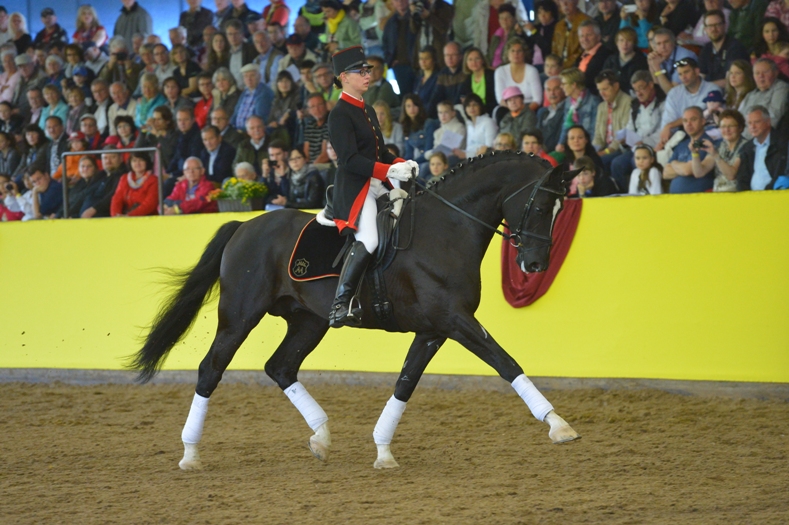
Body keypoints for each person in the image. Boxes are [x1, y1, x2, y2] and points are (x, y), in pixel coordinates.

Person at [325, 46, 415, 327]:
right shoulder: (339, 114)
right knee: (370, 240)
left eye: (367, 71)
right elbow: (350, 160)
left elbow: (381, 153)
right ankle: (341, 303)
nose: (367, 75)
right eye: (361, 71)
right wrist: (389, 170)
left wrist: (402, 163)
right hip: (356, 188)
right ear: (344, 77)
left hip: (378, 182)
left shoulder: (368, 109)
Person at [658, 58, 721, 149]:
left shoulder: (712, 89)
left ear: (697, 71)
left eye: (686, 72)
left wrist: (670, 125)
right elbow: (667, 123)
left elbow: (696, 115)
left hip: (706, 135)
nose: (683, 77)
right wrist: (664, 141)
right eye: (680, 74)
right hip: (680, 138)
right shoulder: (674, 93)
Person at [663, 107, 716, 193]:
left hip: (698, 196)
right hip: (675, 198)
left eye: (693, 119)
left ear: (703, 121)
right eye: (685, 121)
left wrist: (674, 163)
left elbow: (688, 170)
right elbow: (666, 173)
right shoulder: (682, 144)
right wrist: (682, 168)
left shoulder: (708, 143)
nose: (688, 124)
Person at [735, 105, 787, 190]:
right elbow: (742, 179)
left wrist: (766, 193)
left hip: (774, 194)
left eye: (757, 122)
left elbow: (781, 174)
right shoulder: (747, 148)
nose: (753, 126)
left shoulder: (783, 144)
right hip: (751, 196)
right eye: (749, 123)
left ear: (768, 122)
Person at [694, 109, 747, 192]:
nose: (727, 130)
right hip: (719, 193)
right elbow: (699, 173)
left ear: (740, 128)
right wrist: (694, 153)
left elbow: (731, 175)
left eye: (731, 126)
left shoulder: (746, 146)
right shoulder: (719, 146)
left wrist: (715, 155)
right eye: (723, 126)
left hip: (739, 194)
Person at [738, 58, 789, 137]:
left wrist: (741, 135)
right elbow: (737, 118)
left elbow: (773, 119)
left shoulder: (781, 88)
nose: (761, 76)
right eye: (757, 73)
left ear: (775, 73)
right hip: (741, 136)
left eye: (765, 72)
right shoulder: (750, 95)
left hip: (759, 137)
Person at [592, 70, 632, 170]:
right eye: (599, 90)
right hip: (606, 148)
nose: (602, 93)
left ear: (616, 86)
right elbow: (598, 136)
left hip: (621, 148)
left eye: (605, 89)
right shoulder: (601, 107)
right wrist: (593, 151)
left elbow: (623, 134)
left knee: (598, 162)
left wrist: (606, 151)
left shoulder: (628, 102)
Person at [698, 10, 749, 88]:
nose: (714, 29)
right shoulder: (706, 49)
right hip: (711, 91)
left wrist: (706, 87)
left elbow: (732, 80)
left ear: (724, 25)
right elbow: (701, 76)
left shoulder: (736, 48)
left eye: (717, 25)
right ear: (705, 29)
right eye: (710, 26)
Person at [556, 67, 600, 151]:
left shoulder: (593, 102)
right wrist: (561, 143)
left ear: (574, 85)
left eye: (564, 84)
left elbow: (594, 131)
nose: (561, 87)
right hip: (572, 144)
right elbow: (566, 125)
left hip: (588, 146)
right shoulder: (568, 101)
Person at [647, 28, 698, 95]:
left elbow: (672, 93)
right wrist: (651, 64)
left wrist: (657, 68)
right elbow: (657, 86)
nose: (663, 47)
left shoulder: (684, 58)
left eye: (666, 42)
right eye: (659, 44)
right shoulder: (658, 57)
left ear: (673, 42)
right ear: (654, 47)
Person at [80, 146, 127, 217]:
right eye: (105, 158)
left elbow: (113, 196)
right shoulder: (99, 175)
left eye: (113, 157)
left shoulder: (123, 176)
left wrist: (94, 209)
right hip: (84, 215)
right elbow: (84, 194)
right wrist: (67, 212)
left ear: (121, 158)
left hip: (103, 216)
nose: (108, 161)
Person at [494, 39, 543, 108]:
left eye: (519, 51)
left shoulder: (532, 71)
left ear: (524, 53)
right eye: (512, 51)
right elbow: (500, 99)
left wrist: (524, 112)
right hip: (508, 108)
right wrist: (513, 111)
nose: (516, 54)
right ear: (507, 54)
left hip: (528, 107)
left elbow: (537, 100)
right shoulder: (500, 71)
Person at [111, 151, 158, 216]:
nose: (137, 163)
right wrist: (116, 215)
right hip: (125, 216)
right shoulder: (124, 178)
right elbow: (117, 199)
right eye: (134, 160)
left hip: (146, 217)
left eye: (141, 160)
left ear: (147, 162)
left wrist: (129, 216)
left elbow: (150, 204)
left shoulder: (153, 180)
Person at [602, 27, 648, 95]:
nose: (624, 44)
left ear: (634, 43)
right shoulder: (610, 60)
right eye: (621, 40)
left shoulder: (641, 61)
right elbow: (603, 79)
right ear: (617, 43)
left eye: (628, 40)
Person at [574, 19, 613, 98]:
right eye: (582, 36)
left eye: (588, 35)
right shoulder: (580, 57)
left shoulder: (606, 55)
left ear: (598, 37)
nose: (585, 39)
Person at [231, 64, 274, 131]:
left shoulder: (264, 93)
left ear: (259, 77)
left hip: (252, 131)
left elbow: (260, 118)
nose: (249, 79)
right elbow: (235, 113)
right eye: (246, 76)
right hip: (237, 131)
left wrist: (243, 130)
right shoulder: (244, 92)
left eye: (252, 75)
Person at [454, 93, 497, 158]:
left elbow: (489, 148)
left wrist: (466, 155)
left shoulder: (488, 122)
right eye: (468, 106)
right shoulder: (469, 124)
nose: (472, 108)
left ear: (480, 106)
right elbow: (469, 148)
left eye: (475, 105)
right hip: (469, 158)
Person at [458, 47, 497, 117]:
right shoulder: (467, 80)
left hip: (490, 112)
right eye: (470, 59)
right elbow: (460, 97)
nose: (474, 62)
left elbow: (495, 100)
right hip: (473, 114)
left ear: (482, 60)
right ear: (466, 63)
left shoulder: (492, 75)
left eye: (477, 58)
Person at [552, 0, 591, 69]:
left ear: (576, 1)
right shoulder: (559, 26)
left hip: (576, 68)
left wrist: (563, 66)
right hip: (559, 68)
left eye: (568, 0)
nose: (565, 4)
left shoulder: (586, 22)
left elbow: (583, 51)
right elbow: (554, 50)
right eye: (562, 1)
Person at [401, 93, 439, 163]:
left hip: (429, 161)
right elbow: (409, 153)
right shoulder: (406, 126)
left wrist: (413, 163)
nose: (412, 109)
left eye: (415, 105)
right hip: (414, 162)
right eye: (408, 106)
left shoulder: (429, 123)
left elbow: (428, 151)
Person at [488, 4, 528, 69]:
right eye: (501, 18)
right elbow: (489, 55)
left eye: (508, 17)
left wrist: (497, 69)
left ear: (514, 18)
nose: (504, 20)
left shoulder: (517, 34)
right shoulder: (496, 35)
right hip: (492, 70)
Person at [431, 42, 467, 111]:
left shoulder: (466, 72)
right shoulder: (442, 74)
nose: (449, 58)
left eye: (453, 55)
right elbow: (436, 97)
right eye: (447, 55)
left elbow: (460, 98)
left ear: (460, 56)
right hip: (445, 112)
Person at [535, 76, 567, 153]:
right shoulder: (542, 111)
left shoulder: (567, 110)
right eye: (548, 90)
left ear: (563, 89)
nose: (552, 93)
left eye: (556, 89)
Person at [303, 93, 331, 163]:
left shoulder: (331, 122)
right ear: (308, 110)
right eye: (313, 107)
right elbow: (306, 152)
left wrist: (312, 167)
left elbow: (326, 154)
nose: (317, 109)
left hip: (326, 165)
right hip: (311, 165)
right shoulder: (310, 125)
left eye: (320, 105)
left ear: (326, 105)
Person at [414, 46, 440, 119]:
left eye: (426, 58)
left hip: (430, 116)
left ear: (434, 60)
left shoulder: (438, 78)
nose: (423, 61)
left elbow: (433, 102)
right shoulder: (418, 79)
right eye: (421, 59)